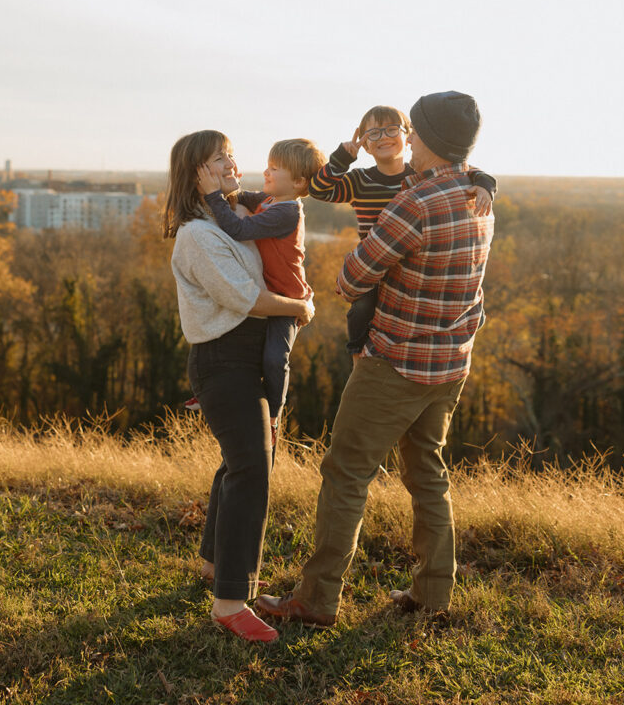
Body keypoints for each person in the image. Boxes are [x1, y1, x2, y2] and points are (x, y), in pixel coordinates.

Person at [256, 92, 495, 627]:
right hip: (450, 362)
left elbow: (349, 280)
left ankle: (315, 601)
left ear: (422, 137)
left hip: (395, 363)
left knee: (346, 473)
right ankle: (433, 593)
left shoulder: (414, 204)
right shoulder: (477, 197)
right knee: (427, 471)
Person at [164, 129, 314, 643]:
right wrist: (301, 307)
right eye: (217, 159)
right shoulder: (197, 236)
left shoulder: (233, 222)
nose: (231, 163)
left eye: (229, 154)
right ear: (195, 174)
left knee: (240, 462)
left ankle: (212, 564)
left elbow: (276, 265)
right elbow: (248, 298)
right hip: (223, 362)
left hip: (249, 357)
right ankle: (230, 601)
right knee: (253, 467)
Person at [308, 104, 495, 356]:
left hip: (415, 261)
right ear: (364, 143)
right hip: (375, 262)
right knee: (362, 307)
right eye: (373, 133)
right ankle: (357, 349)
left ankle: (469, 323)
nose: (383, 137)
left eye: (391, 130)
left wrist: (485, 185)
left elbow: (465, 170)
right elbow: (319, 190)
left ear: (408, 136)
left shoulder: (420, 174)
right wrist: (342, 159)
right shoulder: (359, 180)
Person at [194, 138, 326, 442]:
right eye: (267, 165)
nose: (266, 172)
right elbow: (240, 195)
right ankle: (214, 392)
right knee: (243, 351)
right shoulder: (269, 200)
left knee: (274, 358)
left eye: (274, 168)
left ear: (297, 182)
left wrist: (213, 194)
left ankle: (274, 415)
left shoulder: (287, 212)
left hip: (288, 299)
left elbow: (238, 230)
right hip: (270, 294)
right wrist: (226, 184)